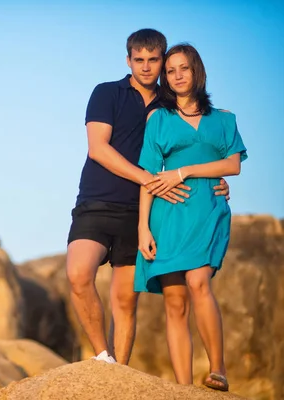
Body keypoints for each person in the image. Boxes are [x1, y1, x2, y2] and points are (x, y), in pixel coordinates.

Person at [66, 28, 231, 366]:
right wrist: (147, 177)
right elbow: (98, 148)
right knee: (78, 274)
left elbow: (194, 150)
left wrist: (217, 181)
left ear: (162, 61)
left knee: (125, 301)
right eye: (138, 60)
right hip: (97, 202)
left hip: (143, 212)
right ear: (128, 60)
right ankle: (102, 356)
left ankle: (119, 373)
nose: (145, 67)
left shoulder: (172, 107)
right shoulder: (107, 93)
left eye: (153, 60)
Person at [135, 43, 247, 392]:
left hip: (207, 210)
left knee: (199, 283)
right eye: (170, 71)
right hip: (168, 215)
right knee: (174, 301)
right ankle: (183, 388)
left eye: (183, 68)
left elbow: (232, 165)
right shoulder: (159, 119)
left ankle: (219, 369)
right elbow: (150, 176)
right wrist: (142, 227)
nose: (177, 75)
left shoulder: (224, 118)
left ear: (198, 71)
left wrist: (183, 171)